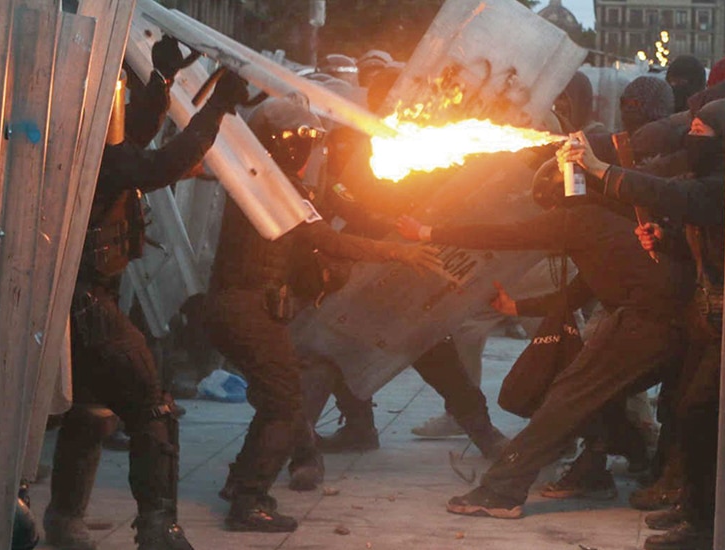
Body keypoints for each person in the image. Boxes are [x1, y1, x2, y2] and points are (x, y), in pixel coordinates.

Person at [558, 38, 725, 549]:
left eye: (705, 131)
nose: (696, 138)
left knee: (709, 415)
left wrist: (600, 169)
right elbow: (699, 217)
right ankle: (699, 510)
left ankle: (709, 523)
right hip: (719, 313)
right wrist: (666, 238)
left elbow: (687, 197)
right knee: (690, 411)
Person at [397, 152, 695, 519]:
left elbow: (507, 236)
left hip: (648, 323)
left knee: (567, 398)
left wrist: (427, 232)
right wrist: (516, 308)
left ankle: (501, 491)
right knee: (599, 397)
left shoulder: (579, 219)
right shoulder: (610, 224)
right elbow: (574, 294)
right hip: (674, 327)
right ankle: (604, 467)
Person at [203, 97, 450, 533]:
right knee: (284, 404)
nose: (313, 155)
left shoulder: (258, 181)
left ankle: (241, 482)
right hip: (249, 311)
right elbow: (327, 240)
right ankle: (248, 501)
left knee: (276, 399)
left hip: (238, 308)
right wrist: (397, 251)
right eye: (309, 145)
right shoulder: (276, 189)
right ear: (290, 146)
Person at [44, 37, 248, 550]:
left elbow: (130, 136)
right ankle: (159, 528)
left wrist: (160, 83)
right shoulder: (85, 150)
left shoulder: (66, 134)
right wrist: (216, 108)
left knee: (90, 408)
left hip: (71, 297)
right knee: (151, 407)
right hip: (86, 302)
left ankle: (65, 520)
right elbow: (157, 166)